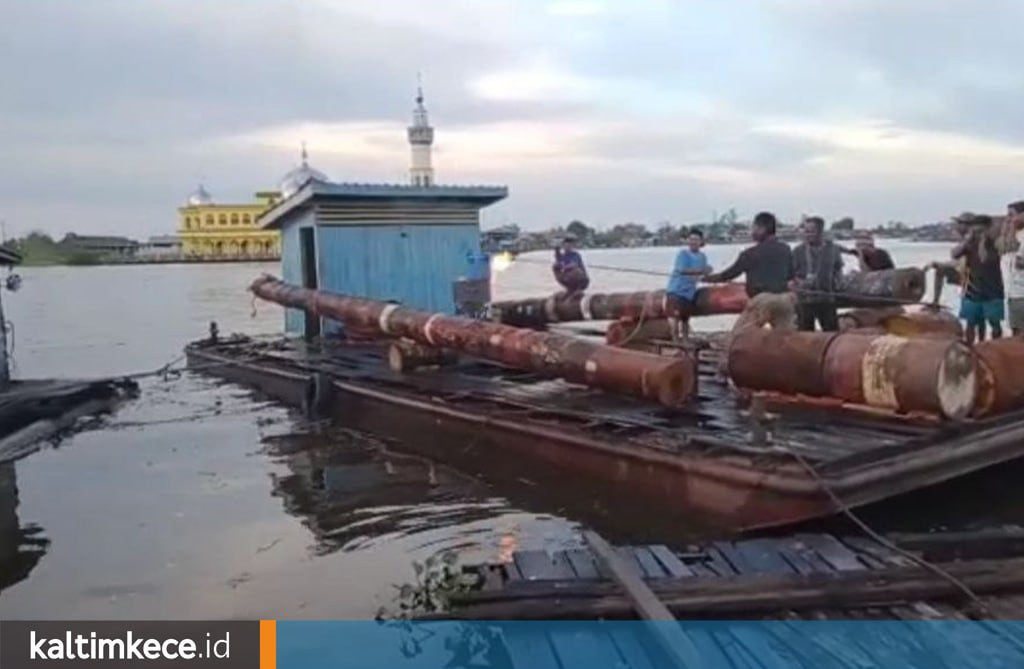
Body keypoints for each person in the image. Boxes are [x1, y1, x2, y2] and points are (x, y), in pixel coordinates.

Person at [706, 212, 797, 376]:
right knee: (787, 341)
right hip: (785, 300)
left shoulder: (750, 254)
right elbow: (791, 276)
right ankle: (787, 374)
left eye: (754, 228)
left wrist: (708, 279)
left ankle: (726, 372)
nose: (751, 232)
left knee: (736, 340)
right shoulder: (785, 249)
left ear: (763, 228)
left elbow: (728, 274)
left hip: (762, 301)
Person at [952, 214, 1005, 344]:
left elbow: (984, 259)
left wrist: (983, 241)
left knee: (995, 324)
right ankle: (972, 348)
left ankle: (995, 347)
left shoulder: (995, 243)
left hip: (993, 291)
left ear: (987, 229)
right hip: (972, 290)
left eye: (980, 231)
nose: (977, 234)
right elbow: (954, 254)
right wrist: (966, 241)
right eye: (974, 231)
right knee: (971, 323)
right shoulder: (969, 244)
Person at [792, 216, 844, 331]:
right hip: (805, 301)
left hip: (827, 300)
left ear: (820, 232)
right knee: (805, 337)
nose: (807, 235)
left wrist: (839, 285)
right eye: (806, 232)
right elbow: (790, 275)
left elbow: (838, 271)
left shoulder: (833, 250)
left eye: (811, 232)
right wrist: (799, 283)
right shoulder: (797, 251)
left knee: (832, 333)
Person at [665, 229, 712, 342]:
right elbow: (682, 270)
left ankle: (685, 342)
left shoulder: (702, 257)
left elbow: (702, 273)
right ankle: (676, 344)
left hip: (689, 294)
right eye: (691, 239)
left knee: (685, 320)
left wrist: (709, 272)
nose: (693, 242)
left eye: (696, 239)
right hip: (676, 292)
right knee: (674, 321)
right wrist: (702, 270)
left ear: (701, 242)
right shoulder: (683, 254)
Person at [1005, 201, 1024, 335]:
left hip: (1022, 295)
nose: (1009, 219)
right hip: (1014, 293)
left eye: (1012, 215)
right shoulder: (1017, 235)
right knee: (1016, 335)